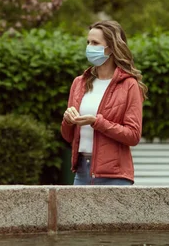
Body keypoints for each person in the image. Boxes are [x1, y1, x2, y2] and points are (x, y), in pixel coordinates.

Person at [61, 20, 147, 185]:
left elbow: (133, 136)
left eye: (95, 43)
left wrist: (97, 122)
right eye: (88, 42)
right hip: (81, 172)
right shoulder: (79, 83)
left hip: (115, 176)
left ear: (111, 48)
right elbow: (68, 136)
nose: (89, 47)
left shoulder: (129, 85)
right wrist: (67, 120)